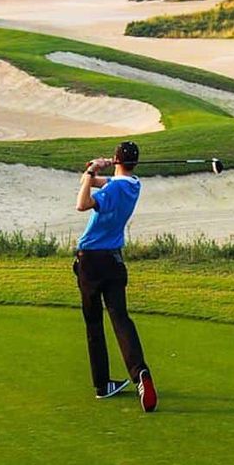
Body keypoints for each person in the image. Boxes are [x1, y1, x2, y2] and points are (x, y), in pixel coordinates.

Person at [74, 139, 157, 412]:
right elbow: (105, 181)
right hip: (114, 261)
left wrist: (90, 174)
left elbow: (82, 204)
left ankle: (102, 385)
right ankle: (140, 373)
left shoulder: (112, 191)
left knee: (94, 324)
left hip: (91, 262)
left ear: (116, 158)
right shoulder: (134, 186)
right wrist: (94, 170)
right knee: (121, 320)